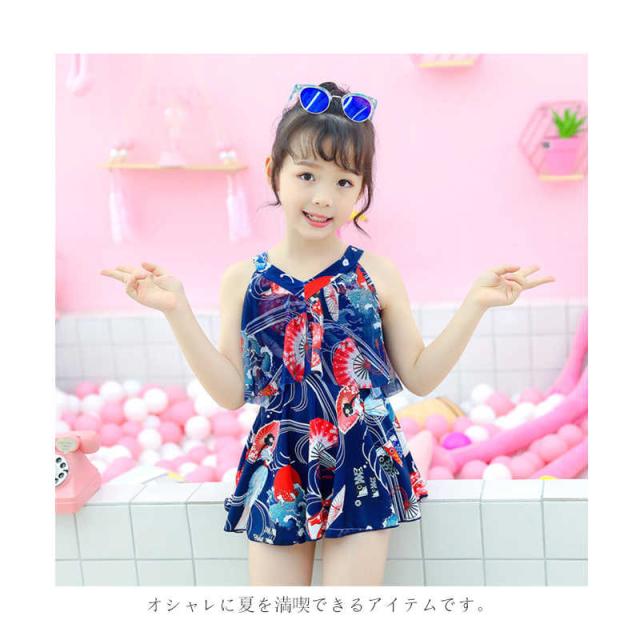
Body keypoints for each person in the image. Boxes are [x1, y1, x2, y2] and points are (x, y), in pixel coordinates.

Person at [100, 80, 555, 587]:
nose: (323, 197)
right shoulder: (243, 280)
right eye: (307, 175)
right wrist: (176, 311)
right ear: (273, 172)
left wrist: (476, 305)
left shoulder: (376, 274)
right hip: (280, 461)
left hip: (363, 460)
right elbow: (230, 394)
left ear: (361, 190)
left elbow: (420, 376)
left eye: (344, 182)